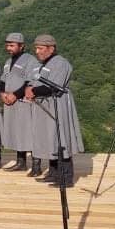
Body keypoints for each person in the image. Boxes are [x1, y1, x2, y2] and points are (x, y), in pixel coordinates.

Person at [24, 34, 83, 187]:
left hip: (58, 103)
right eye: (36, 48)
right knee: (51, 139)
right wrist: (29, 88)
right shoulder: (43, 64)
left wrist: (34, 91)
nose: (37, 51)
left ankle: (65, 178)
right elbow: (33, 81)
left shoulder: (61, 63)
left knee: (60, 138)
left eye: (40, 48)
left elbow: (54, 85)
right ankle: (53, 173)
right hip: (45, 105)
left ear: (51, 48)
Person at [0, 33, 37, 174]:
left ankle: (36, 165)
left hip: (24, 102)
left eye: (12, 45)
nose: (9, 48)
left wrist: (15, 94)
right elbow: (3, 79)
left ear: (21, 46)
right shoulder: (8, 61)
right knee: (17, 132)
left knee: (29, 132)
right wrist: (2, 93)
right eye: (7, 45)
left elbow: (30, 82)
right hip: (10, 102)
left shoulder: (30, 60)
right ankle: (21, 163)